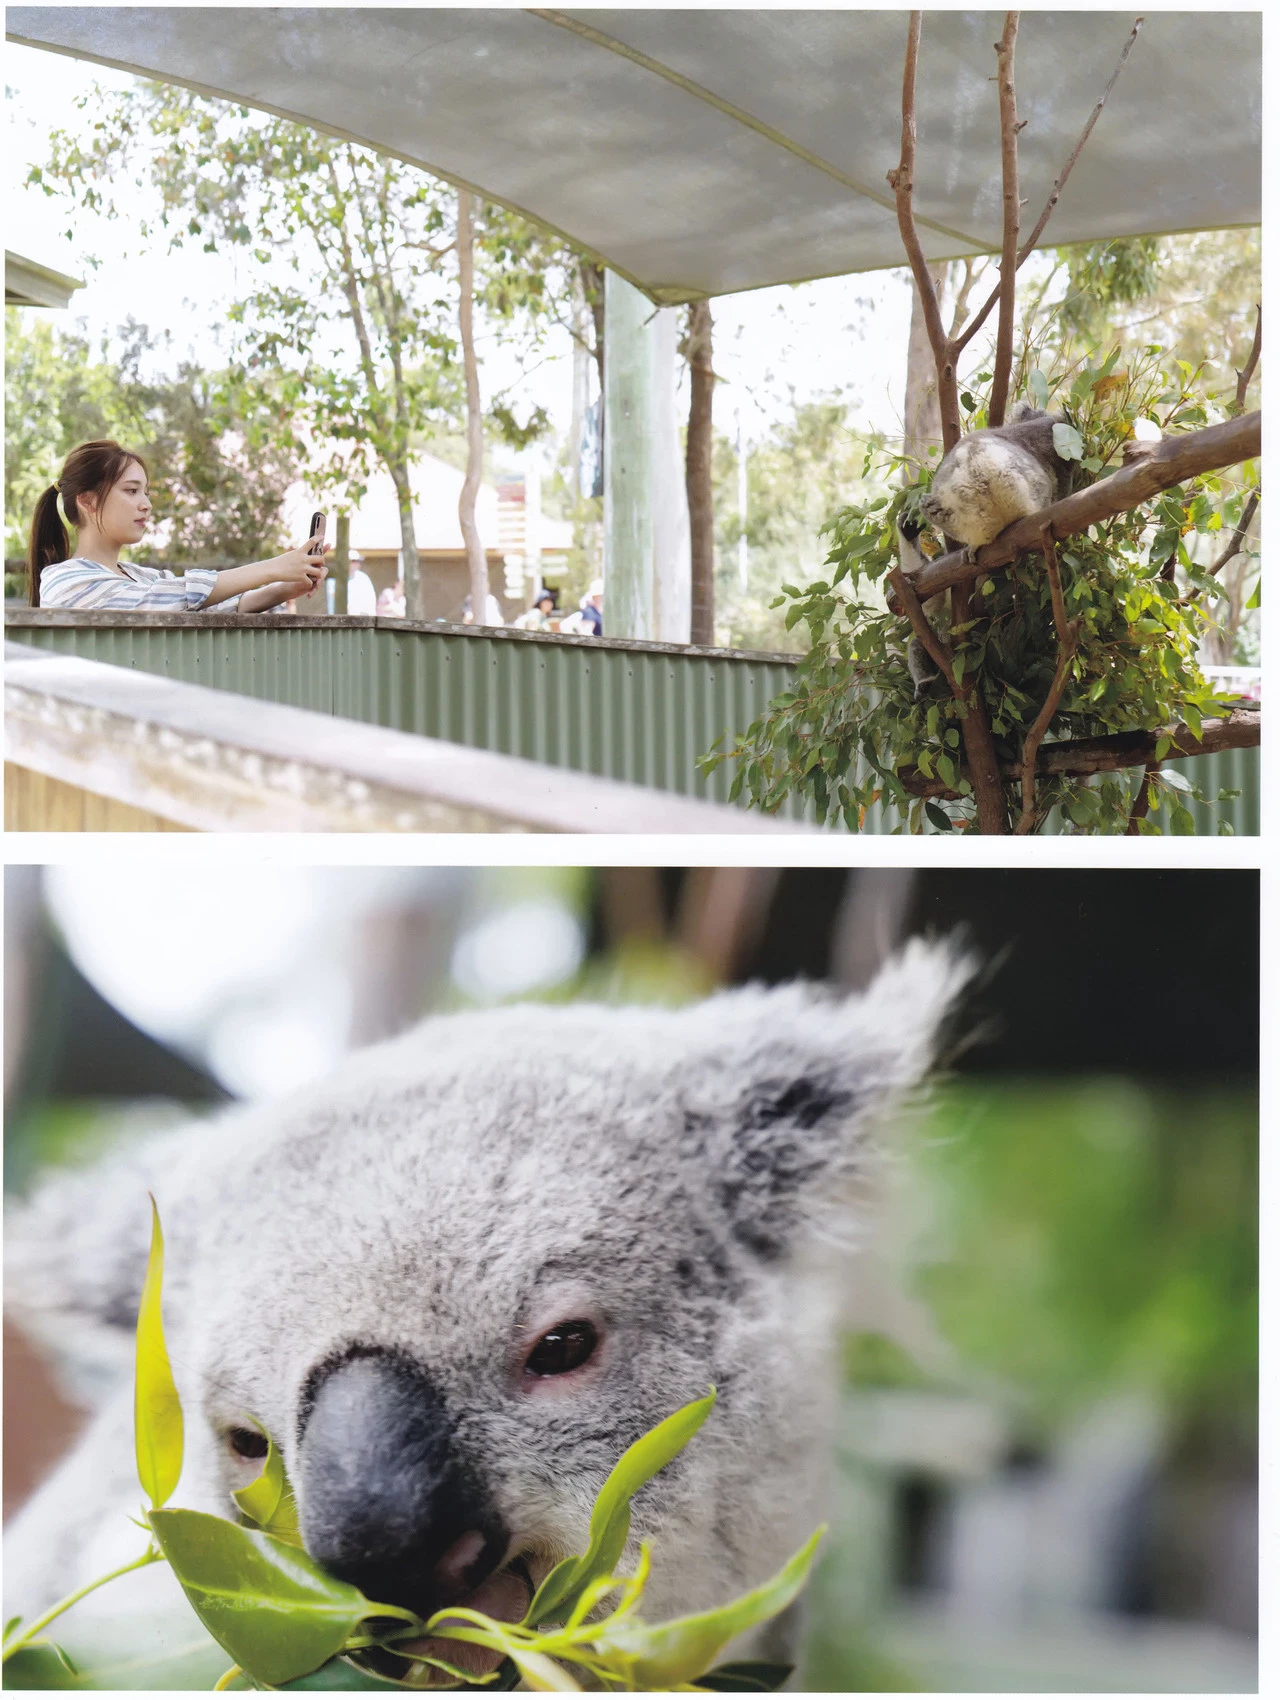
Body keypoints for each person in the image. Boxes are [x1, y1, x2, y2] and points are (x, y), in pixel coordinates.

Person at [28, 440, 326, 613]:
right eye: (131, 491)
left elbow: (207, 608)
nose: (146, 504)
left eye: (146, 492)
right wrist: (273, 567)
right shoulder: (65, 581)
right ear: (88, 501)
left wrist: (284, 588)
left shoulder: (140, 576)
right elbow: (173, 598)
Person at [326, 549, 377, 616]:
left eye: (358, 561)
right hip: (339, 618)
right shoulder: (334, 577)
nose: (356, 563)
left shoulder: (363, 577)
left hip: (362, 618)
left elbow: (371, 599)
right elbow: (335, 595)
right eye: (353, 561)